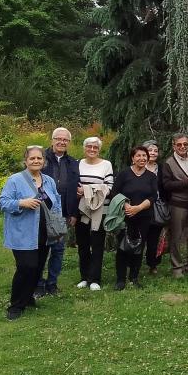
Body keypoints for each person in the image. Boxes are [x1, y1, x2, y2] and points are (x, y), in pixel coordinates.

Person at [0, 146, 63, 320]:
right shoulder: (15, 180)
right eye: (32, 158)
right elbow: (3, 202)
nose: (36, 161)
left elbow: (56, 202)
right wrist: (21, 203)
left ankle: (27, 298)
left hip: (45, 233)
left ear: (44, 161)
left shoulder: (48, 180)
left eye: (39, 158)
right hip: (23, 233)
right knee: (26, 267)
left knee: (37, 267)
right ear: (26, 161)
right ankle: (15, 305)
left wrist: (58, 225)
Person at [35, 127, 79, 297]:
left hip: (61, 214)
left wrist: (73, 213)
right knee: (40, 250)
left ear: (69, 142)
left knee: (58, 250)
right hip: (41, 212)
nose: (61, 142)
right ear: (52, 140)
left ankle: (52, 283)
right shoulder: (41, 159)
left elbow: (76, 189)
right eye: (58, 139)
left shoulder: (73, 163)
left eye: (65, 140)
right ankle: (38, 284)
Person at [110, 146, 158, 290]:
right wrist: (126, 206)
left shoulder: (151, 176)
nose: (142, 158)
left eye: (144, 156)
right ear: (132, 158)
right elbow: (114, 192)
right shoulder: (124, 174)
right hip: (125, 216)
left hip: (143, 215)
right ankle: (120, 279)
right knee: (123, 247)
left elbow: (153, 196)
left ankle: (134, 277)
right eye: (138, 155)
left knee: (139, 246)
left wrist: (138, 208)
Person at [75, 136, 113, 291]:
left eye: (95, 147)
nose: (92, 149)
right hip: (81, 209)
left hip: (100, 209)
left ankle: (95, 279)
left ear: (99, 149)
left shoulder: (106, 165)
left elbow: (109, 186)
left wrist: (87, 189)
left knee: (97, 244)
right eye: (89, 147)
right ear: (84, 148)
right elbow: (74, 184)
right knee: (83, 244)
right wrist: (79, 191)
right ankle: (84, 277)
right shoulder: (78, 164)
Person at [161, 133, 188, 278]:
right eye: (179, 144)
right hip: (178, 205)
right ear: (173, 146)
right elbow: (166, 185)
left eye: (185, 144)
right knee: (176, 237)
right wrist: (186, 183)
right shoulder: (168, 163)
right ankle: (177, 267)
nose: (182, 147)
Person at [141, 140, 164, 275]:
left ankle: (153, 264)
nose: (153, 153)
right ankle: (134, 262)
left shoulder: (161, 168)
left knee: (154, 238)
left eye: (155, 151)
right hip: (140, 206)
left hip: (158, 207)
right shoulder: (137, 166)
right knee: (139, 236)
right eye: (150, 150)